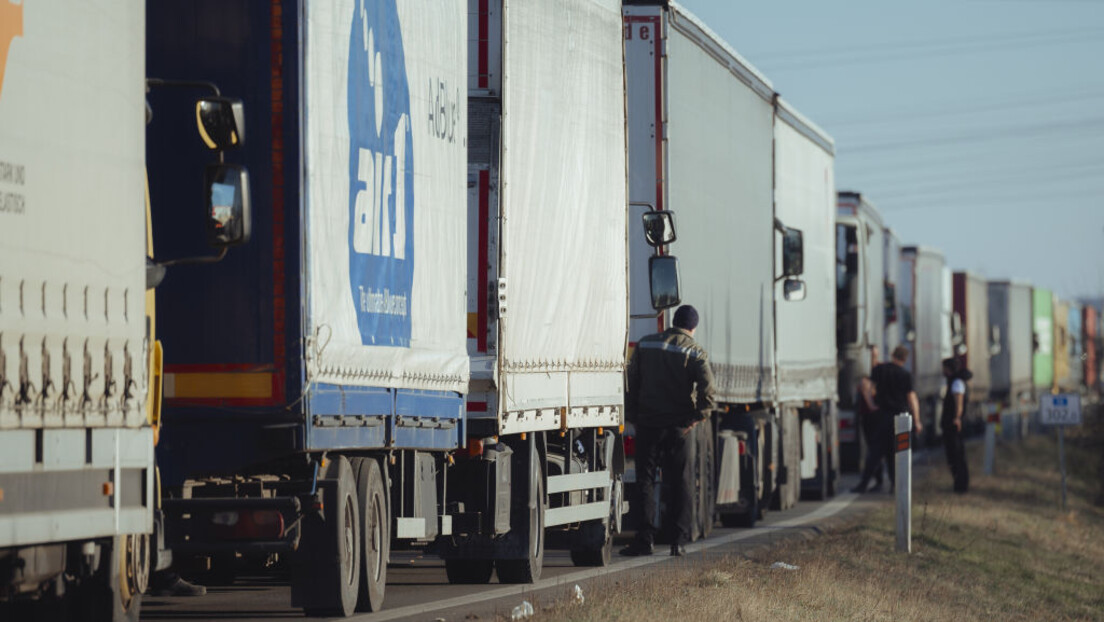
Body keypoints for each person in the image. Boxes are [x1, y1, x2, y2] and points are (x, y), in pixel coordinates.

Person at [620, 304, 716, 557]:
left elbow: (631, 381)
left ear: (674, 321)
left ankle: (644, 540)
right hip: (677, 428)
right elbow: (708, 391)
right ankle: (678, 541)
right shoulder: (695, 351)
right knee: (679, 483)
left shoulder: (646, 344)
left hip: (648, 424)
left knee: (645, 482)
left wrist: (632, 416)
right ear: (693, 327)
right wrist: (695, 419)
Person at [852, 345, 922, 493]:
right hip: (901, 418)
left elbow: (866, 386)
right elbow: (912, 398)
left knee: (875, 451)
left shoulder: (880, 370)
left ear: (892, 355)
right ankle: (895, 485)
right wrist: (916, 420)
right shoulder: (905, 375)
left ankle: (864, 483)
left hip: (882, 416)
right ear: (905, 359)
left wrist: (871, 405)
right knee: (897, 452)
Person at [941, 357, 972, 493]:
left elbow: (958, 402)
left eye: (944, 368)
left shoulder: (957, 383)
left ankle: (960, 486)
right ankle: (959, 484)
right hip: (953, 422)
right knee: (955, 454)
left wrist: (957, 418)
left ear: (949, 369)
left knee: (956, 454)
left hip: (954, 424)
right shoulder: (955, 381)